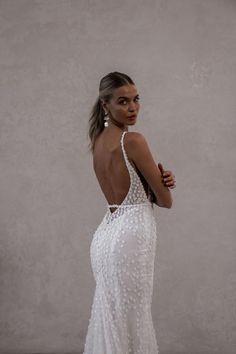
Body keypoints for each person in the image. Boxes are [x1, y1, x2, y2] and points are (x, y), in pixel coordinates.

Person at [83, 71, 176, 354]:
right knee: (133, 319)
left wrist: (155, 183)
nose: (133, 107)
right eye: (123, 102)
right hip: (132, 232)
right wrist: (162, 184)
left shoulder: (97, 141)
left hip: (104, 235)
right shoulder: (133, 141)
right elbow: (165, 201)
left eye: (136, 99)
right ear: (105, 105)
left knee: (112, 317)